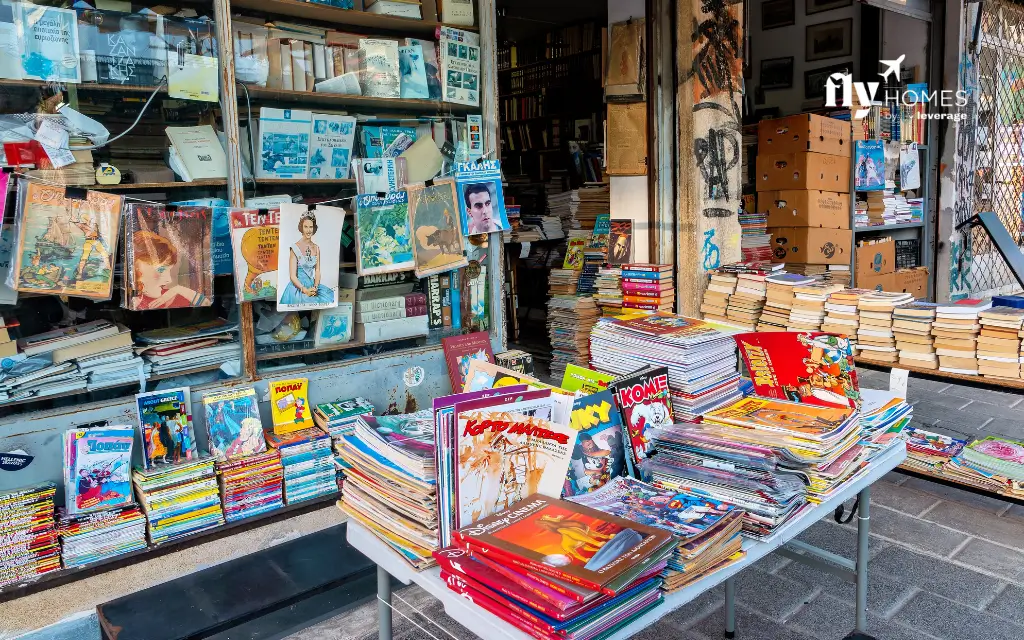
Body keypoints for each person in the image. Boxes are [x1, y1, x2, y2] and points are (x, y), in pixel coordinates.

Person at [131, 231, 208, 309]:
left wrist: (179, 289)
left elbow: (206, 304)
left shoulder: (168, 295)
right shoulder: (132, 301)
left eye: (168, 270)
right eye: (161, 270)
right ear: (136, 268)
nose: (169, 280)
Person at [280, 212, 335, 306]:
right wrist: (304, 290)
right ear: (301, 228)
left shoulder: (316, 248)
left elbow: (317, 270)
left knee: (330, 297)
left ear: (314, 228)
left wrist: (316, 287)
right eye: (306, 227)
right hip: (298, 287)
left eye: (311, 227)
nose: (309, 230)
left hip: (313, 286)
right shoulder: (295, 248)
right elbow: (292, 276)